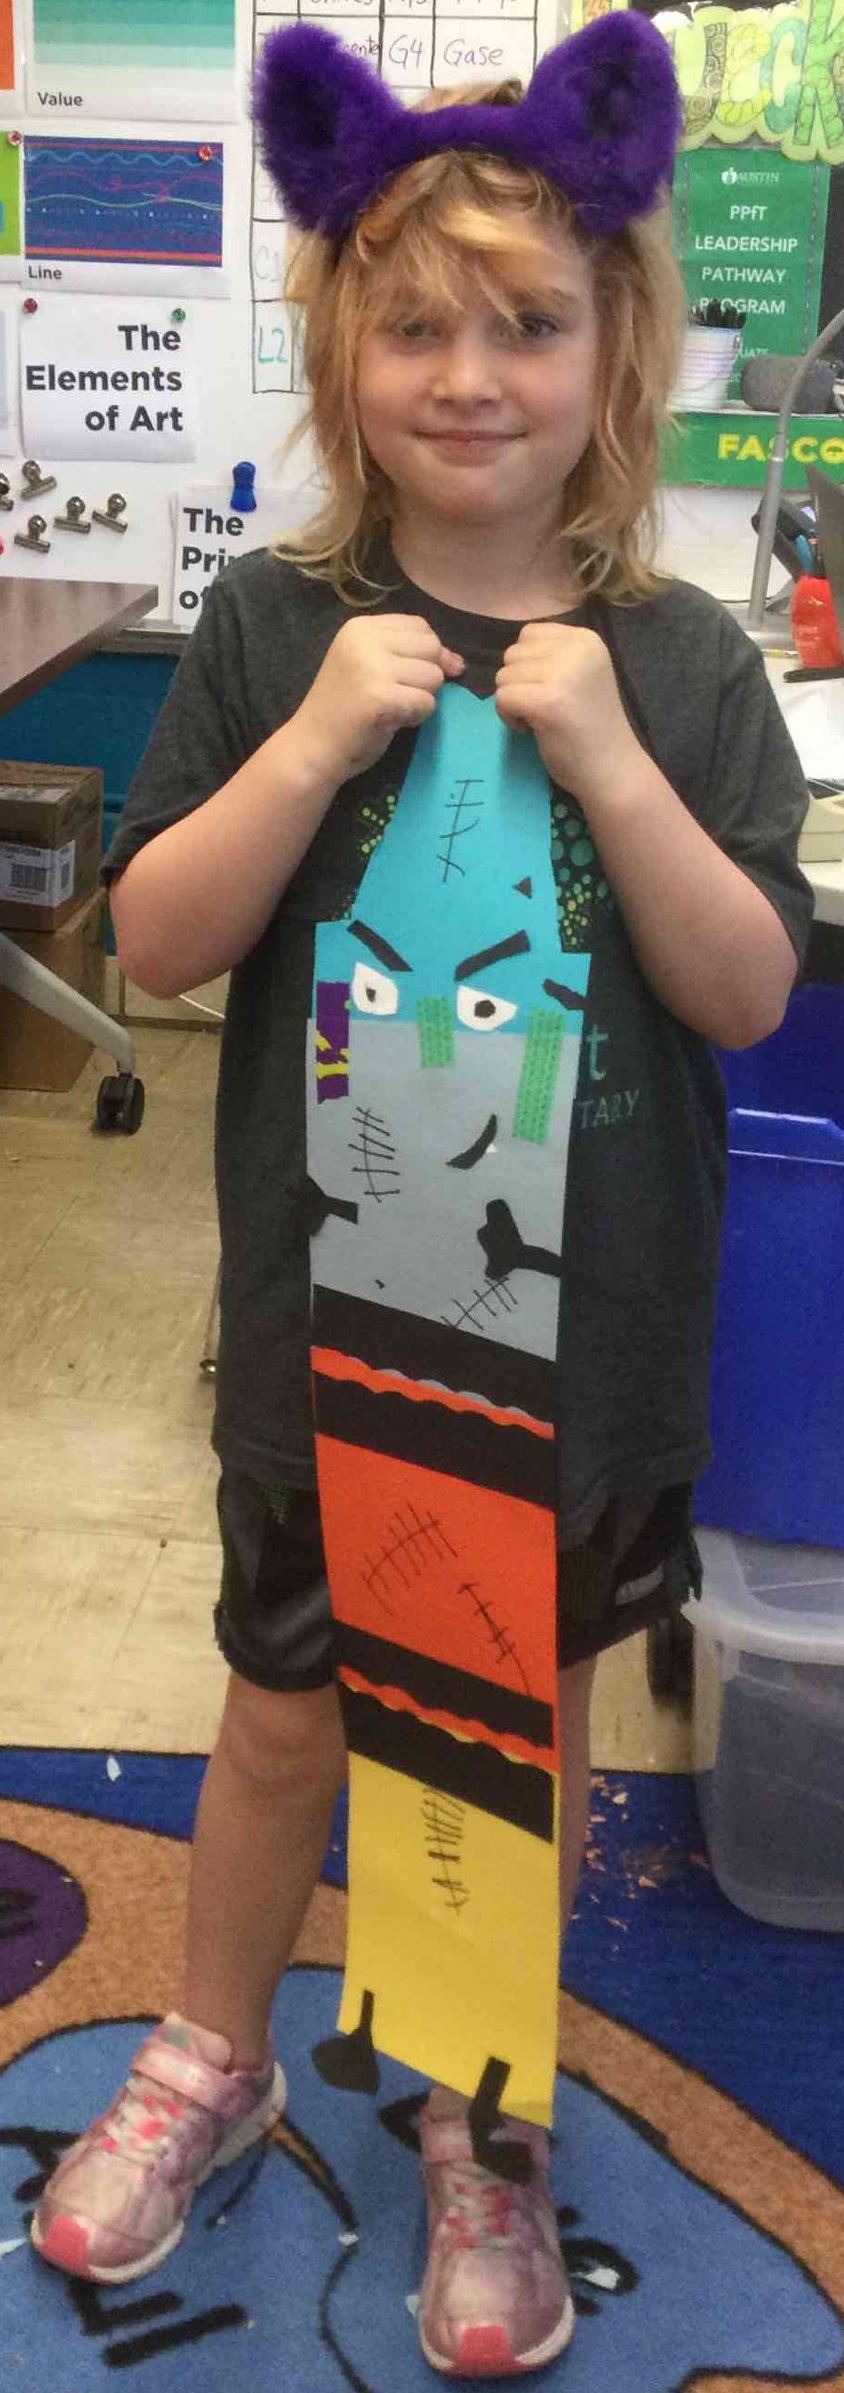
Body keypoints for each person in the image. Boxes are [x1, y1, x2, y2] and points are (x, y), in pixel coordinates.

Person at [32, 17, 813, 2378]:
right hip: (331, 1329)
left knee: (510, 1735)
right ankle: (216, 2052)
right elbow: (161, 945)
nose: (469, 377)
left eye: (527, 324)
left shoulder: (680, 659)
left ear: (615, 354)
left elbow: (744, 991)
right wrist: (309, 742)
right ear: (340, 358)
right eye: (413, 328)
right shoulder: (277, 625)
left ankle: (485, 2110)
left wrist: (604, 754)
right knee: (285, 1712)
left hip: (585, 1347)